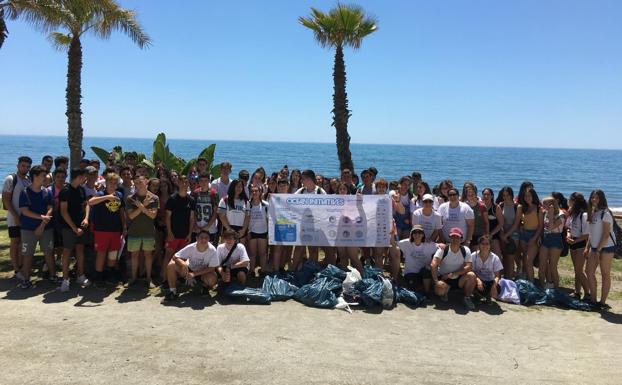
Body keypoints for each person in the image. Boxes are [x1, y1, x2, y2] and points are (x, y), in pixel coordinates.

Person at [18, 166, 56, 288]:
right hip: (28, 229)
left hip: (46, 228)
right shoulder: (24, 192)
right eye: (43, 175)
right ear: (35, 176)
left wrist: (42, 224)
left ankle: (53, 276)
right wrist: (41, 218)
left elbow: (50, 208)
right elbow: (24, 211)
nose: (45, 178)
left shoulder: (47, 191)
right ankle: (26, 279)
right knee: (27, 255)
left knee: (49, 253)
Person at [88, 173, 126, 286]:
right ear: (106, 183)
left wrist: (124, 227)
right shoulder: (100, 193)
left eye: (115, 183)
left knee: (113, 253)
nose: (113, 185)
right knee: (101, 253)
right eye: (110, 182)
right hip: (102, 230)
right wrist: (107, 197)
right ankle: (98, 277)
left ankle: (110, 275)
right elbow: (90, 202)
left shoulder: (119, 194)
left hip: (115, 229)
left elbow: (121, 212)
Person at [161, 230, 219, 303]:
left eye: (206, 238)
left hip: (203, 273)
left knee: (212, 277)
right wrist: (183, 264)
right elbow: (175, 256)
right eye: (201, 237)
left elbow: (212, 268)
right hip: (189, 269)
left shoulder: (212, 250)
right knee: (171, 265)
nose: (204, 239)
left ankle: (204, 288)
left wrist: (195, 274)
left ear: (209, 239)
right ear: (196, 238)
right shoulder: (191, 247)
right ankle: (173, 291)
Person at [59, 168, 91, 292]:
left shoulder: (81, 189)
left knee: (80, 249)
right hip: (68, 227)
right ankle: (65, 279)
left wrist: (86, 219)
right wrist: (74, 228)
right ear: (79, 177)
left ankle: (80, 275)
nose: (85, 179)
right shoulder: (65, 191)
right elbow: (63, 211)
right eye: (84, 177)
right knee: (67, 252)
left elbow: (86, 204)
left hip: (81, 226)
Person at [430, 227, 477, 310]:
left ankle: (467, 298)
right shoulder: (443, 249)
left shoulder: (466, 250)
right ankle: (445, 292)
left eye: (457, 237)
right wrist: (436, 281)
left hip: (459, 279)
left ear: (461, 239)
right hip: (444, 278)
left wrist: (454, 274)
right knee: (439, 291)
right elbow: (433, 264)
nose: (455, 239)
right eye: (453, 237)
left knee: (471, 275)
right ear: (450, 238)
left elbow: (469, 266)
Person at [585, 189, 616, 310]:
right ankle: (593, 300)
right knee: (588, 271)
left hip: (606, 248)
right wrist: (588, 247)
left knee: (605, 274)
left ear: (601, 199)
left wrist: (598, 250)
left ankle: (602, 303)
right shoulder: (593, 212)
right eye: (592, 197)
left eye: (596, 198)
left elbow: (605, 235)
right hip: (594, 247)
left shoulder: (606, 213)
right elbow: (591, 233)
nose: (594, 199)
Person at [126, 175, 159, 287]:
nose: (138, 185)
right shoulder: (130, 198)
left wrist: (141, 207)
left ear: (146, 181)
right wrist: (143, 207)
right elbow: (131, 216)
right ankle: (133, 277)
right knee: (134, 256)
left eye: (140, 182)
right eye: (136, 183)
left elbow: (153, 215)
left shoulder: (154, 198)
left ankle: (149, 278)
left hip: (148, 231)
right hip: (134, 231)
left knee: (148, 255)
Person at [2, 156, 32, 280]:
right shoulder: (10, 179)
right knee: (15, 243)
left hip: (26, 218)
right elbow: (6, 200)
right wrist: (16, 216)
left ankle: (21, 266)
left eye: (28, 166)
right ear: (18, 165)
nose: (25, 168)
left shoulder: (28, 180)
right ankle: (16, 269)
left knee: (22, 243)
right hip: (14, 218)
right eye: (23, 165)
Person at [162, 176, 196, 281]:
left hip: (185, 234)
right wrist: (169, 232)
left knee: (182, 258)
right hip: (173, 233)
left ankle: (179, 278)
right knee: (168, 256)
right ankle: (164, 278)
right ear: (179, 183)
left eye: (186, 182)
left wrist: (190, 234)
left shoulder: (191, 200)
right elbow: (167, 217)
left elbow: (191, 218)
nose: (184, 184)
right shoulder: (172, 199)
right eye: (182, 182)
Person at [291, 169, 326, 269]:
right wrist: (275, 197)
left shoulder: (320, 191)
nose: (302, 181)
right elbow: (288, 199)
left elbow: (326, 207)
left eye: (303, 179)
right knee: (299, 248)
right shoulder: (301, 191)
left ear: (309, 179)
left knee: (314, 249)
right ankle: (293, 270)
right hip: (303, 225)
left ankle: (312, 269)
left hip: (316, 225)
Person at [396, 225, 438, 294]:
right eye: (415, 232)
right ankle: (423, 287)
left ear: (423, 235)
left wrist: (441, 245)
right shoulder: (406, 243)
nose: (417, 234)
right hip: (410, 272)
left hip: (424, 273)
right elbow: (394, 244)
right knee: (413, 288)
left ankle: (427, 292)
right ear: (411, 235)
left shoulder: (429, 244)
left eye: (420, 232)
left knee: (426, 270)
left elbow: (442, 248)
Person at [565, 192, 589, 299]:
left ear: (574, 201)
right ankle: (577, 292)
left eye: (569, 199)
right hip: (573, 242)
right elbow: (569, 227)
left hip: (580, 243)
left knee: (579, 270)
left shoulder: (583, 215)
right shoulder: (573, 214)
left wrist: (574, 241)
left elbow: (586, 235)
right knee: (576, 270)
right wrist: (568, 235)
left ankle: (588, 293)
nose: (568, 201)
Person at [538, 196, 565, 288]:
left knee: (552, 265)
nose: (543, 206)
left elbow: (551, 227)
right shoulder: (545, 212)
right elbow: (543, 227)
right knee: (542, 263)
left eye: (545, 204)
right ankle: (542, 286)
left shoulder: (561, 215)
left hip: (555, 238)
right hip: (546, 237)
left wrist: (550, 215)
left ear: (552, 205)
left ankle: (556, 288)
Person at [518, 187, 542, 282]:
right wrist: (521, 226)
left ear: (534, 196)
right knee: (525, 258)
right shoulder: (525, 208)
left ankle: (531, 283)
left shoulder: (538, 209)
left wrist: (534, 238)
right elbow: (523, 221)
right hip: (524, 235)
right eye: (525, 196)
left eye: (529, 195)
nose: (527, 197)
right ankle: (528, 280)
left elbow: (540, 226)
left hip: (533, 235)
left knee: (528, 261)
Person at [218, 179, 251, 246]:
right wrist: (229, 229)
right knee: (226, 252)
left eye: (241, 186)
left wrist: (243, 230)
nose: (239, 188)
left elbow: (247, 217)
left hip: (241, 231)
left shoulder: (245, 202)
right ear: (232, 186)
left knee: (239, 253)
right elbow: (221, 216)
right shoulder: (224, 200)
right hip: (228, 229)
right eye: (237, 186)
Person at [471, 235, 503, 303]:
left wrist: (494, 285)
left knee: (497, 289)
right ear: (479, 244)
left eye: (487, 244)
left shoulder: (495, 258)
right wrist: (478, 280)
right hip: (477, 280)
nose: (485, 246)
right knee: (471, 280)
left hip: (490, 281)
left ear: (490, 245)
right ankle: (477, 294)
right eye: (483, 243)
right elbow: (471, 271)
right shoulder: (474, 255)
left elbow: (497, 276)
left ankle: (488, 296)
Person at [271, 178, 293, 271]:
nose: (282, 187)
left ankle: (281, 267)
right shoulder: (273, 197)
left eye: (284, 185)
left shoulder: (292, 198)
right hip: (277, 226)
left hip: (289, 225)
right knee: (277, 248)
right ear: (277, 186)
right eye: (280, 186)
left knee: (285, 248)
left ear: (288, 187)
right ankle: (276, 270)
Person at [498, 186, 520, 279]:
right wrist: (503, 235)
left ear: (511, 195)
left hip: (514, 234)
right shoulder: (501, 205)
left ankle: (510, 280)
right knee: (504, 258)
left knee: (511, 258)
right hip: (503, 233)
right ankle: (504, 279)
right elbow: (500, 222)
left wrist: (506, 236)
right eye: (504, 195)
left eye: (508, 195)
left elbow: (516, 224)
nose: (506, 197)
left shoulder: (517, 206)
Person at [192, 172, 219, 245]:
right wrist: (195, 225)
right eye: (201, 180)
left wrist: (208, 226)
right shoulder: (195, 193)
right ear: (199, 181)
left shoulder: (214, 193)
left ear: (209, 181)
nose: (203, 183)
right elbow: (193, 211)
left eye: (206, 180)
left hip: (210, 228)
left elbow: (215, 212)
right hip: (197, 227)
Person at [461, 182, 489, 251]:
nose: (470, 196)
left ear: (475, 194)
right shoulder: (463, 206)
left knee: (476, 255)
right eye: (469, 195)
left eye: (472, 194)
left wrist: (487, 235)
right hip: (466, 235)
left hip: (478, 235)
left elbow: (486, 222)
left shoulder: (482, 206)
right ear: (466, 195)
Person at [248, 185, 269, 276]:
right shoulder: (248, 204)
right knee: (252, 254)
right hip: (252, 232)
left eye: (256, 191)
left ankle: (263, 271)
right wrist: (248, 231)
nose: (254, 193)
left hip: (263, 232)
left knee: (263, 254)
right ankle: (252, 271)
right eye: (252, 191)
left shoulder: (266, 205)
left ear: (260, 192)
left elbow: (268, 220)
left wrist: (268, 232)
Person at [482, 188, 504, 264]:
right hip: (482, 235)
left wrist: (491, 234)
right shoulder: (480, 206)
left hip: (494, 235)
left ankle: (499, 274)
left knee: (497, 257)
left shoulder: (496, 207)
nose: (486, 196)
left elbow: (501, 223)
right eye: (484, 194)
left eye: (488, 194)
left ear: (492, 196)